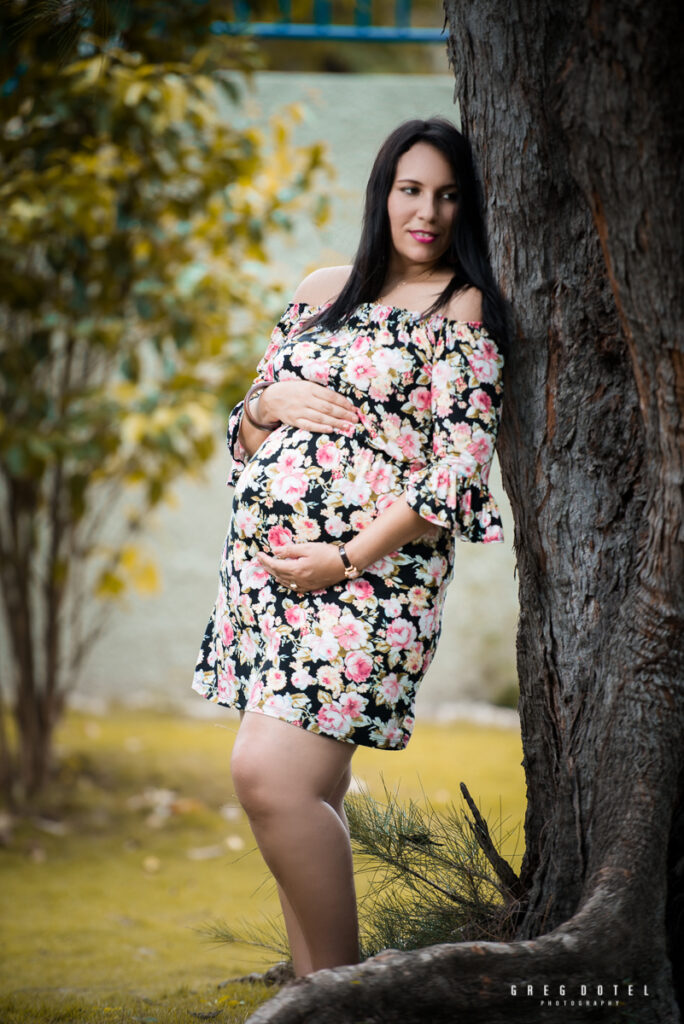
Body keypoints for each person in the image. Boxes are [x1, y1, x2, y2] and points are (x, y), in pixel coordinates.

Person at [192, 116, 509, 977]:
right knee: (309, 789)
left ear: (467, 206)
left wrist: (346, 557)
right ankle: (311, 987)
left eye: (448, 194)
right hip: (268, 583)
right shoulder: (319, 291)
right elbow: (242, 431)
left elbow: (455, 471)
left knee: (270, 778)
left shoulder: (462, 306)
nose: (429, 211)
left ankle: (341, 988)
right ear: (384, 194)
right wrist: (271, 405)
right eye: (412, 189)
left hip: (368, 584)